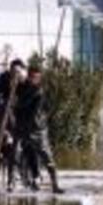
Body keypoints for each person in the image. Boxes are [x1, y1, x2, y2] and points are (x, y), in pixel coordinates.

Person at [14, 63, 65, 194]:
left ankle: (55, 185)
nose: (33, 79)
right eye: (31, 77)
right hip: (24, 128)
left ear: (39, 78)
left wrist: (18, 105)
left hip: (37, 129)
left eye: (36, 77)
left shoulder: (38, 92)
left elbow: (25, 106)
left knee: (46, 156)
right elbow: (15, 93)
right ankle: (31, 180)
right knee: (25, 154)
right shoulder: (22, 87)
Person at [0, 59, 26, 191]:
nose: (16, 75)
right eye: (14, 72)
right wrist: (3, 130)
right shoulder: (2, 81)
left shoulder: (23, 84)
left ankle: (12, 180)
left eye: (19, 73)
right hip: (0, 121)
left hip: (16, 123)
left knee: (14, 152)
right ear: (10, 71)